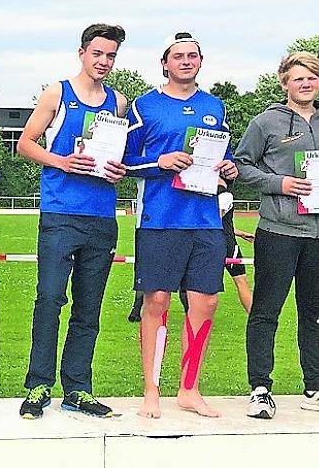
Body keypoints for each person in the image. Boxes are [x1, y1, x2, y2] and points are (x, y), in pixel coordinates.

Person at [14, 24, 128, 419]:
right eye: (98, 53)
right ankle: (39, 384)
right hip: (61, 213)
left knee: (89, 306)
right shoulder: (57, 92)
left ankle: (77, 387)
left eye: (111, 56)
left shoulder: (118, 102)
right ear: (82, 53)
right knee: (49, 298)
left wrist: (118, 170)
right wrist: (62, 161)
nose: (104, 62)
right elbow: (25, 143)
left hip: (101, 216)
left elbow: (116, 156)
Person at [124, 32, 238, 419]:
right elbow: (123, 162)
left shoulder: (214, 106)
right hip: (160, 220)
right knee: (157, 302)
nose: (186, 61)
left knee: (205, 302)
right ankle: (151, 390)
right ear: (165, 63)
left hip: (206, 220)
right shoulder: (144, 106)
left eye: (193, 56)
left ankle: (189, 388)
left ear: (201, 62)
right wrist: (161, 161)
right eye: (178, 56)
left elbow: (225, 155)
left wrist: (229, 168)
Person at [236, 51, 319, 419]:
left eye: (312, 78)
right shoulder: (265, 122)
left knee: (314, 314)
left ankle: (314, 387)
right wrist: (280, 183)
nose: (306, 83)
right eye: (299, 78)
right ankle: (260, 389)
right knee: (266, 312)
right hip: (279, 232)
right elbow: (240, 167)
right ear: (285, 82)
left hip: (317, 236)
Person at [127, 180, 253, 322]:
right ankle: (191, 318)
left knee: (233, 283)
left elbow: (213, 221)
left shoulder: (222, 196)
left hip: (218, 241)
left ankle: (255, 318)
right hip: (218, 242)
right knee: (198, 285)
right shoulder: (220, 196)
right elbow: (213, 222)